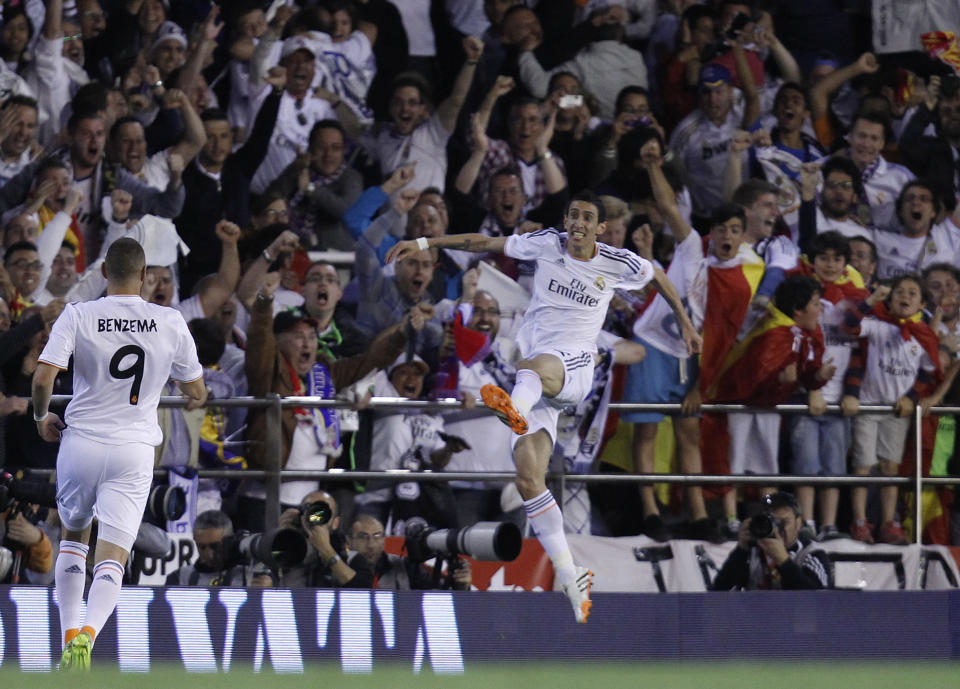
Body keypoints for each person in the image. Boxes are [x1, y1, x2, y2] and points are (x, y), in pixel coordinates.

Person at [386, 190, 700, 623]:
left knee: (531, 367)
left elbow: (660, 278)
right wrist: (425, 243)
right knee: (529, 478)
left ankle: (510, 410)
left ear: (600, 228)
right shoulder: (547, 244)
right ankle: (572, 575)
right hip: (538, 389)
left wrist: (686, 324)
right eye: (572, 215)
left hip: (571, 369)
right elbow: (482, 244)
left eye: (586, 217)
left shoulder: (616, 261)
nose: (577, 223)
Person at [31, 237, 207, 670]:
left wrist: (40, 417)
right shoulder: (169, 321)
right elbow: (197, 390)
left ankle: (69, 633)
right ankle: (89, 636)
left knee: (74, 539)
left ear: (105, 272)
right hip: (133, 450)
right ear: (146, 276)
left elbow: (42, 379)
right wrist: (191, 395)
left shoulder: (79, 313)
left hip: (81, 442)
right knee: (114, 555)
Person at [710, 492, 828, 590]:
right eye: (772, 522)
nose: (778, 529)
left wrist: (783, 561)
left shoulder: (812, 554)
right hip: (756, 616)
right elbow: (719, 591)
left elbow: (816, 600)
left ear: (798, 523)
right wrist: (741, 549)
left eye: (784, 522)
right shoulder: (753, 553)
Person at [347, 514, 471, 590]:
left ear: (385, 540)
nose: (371, 544)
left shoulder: (404, 567)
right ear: (348, 541)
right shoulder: (339, 566)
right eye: (363, 537)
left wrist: (462, 586)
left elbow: (437, 598)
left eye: (377, 536)